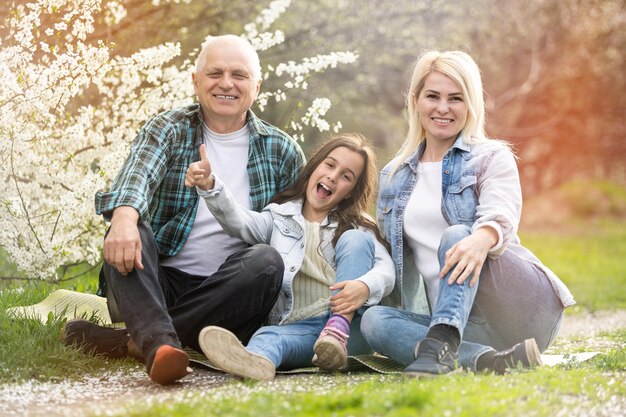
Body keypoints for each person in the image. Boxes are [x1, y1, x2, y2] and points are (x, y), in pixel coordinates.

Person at [61, 34, 305, 385]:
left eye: (239, 75)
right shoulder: (168, 128)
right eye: (215, 73)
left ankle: (142, 342)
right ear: (195, 81)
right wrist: (125, 217)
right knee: (130, 226)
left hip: (232, 293)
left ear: (257, 85)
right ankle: (161, 342)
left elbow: (300, 225)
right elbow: (137, 177)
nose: (226, 84)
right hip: (157, 283)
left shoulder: (281, 150)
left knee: (267, 260)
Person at [360, 50, 575, 377]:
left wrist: (479, 239)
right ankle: (489, 360)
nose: (443, 108)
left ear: (470, 104)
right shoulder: (394, 176)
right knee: (374, 321)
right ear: (416, 101)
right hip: (462, 324)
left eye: (455, 98)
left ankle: (440, 345)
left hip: (520, 309)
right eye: (433, 96)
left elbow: (501, 213)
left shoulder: (490, 156)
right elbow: (389, 257)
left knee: (458, 235)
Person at [185, 134, 395, 380]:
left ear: (350, 192)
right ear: (315, 166)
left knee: (356, 239)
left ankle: (336, 329)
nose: (333, 176)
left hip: (350, 332)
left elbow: (386, 269)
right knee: (268, 337)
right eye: (330, 164)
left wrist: (365, 285)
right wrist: (210, 185)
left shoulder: (359, 226)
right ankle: (254, 362)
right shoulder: (278, 217)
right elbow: (238, 221)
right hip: (302, 330)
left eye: (346, 176)